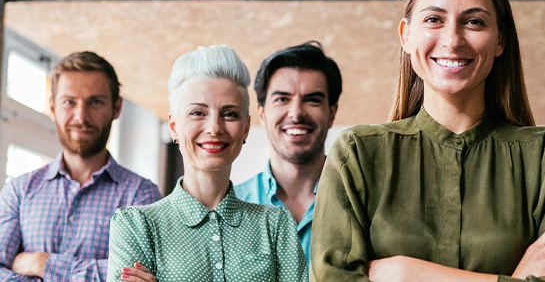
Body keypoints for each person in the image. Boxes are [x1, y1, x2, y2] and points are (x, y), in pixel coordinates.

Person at [311, 0, 545, 282]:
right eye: (434, 19)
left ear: (500, 41)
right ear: (406, 36)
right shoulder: (356, 154)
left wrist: (404, 274)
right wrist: (515, 278)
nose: (452, 40)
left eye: (474, 22)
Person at [106, 45, 307, 282]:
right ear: (174, 127)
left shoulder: (275, 224)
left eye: (230, 114)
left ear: (245, 128)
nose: (214, 128)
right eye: (197, 113)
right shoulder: (136, 226)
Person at [0, 51, 161, 282]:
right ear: (53, 107)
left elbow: (141, 275)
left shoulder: (141, 196)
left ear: (116, 108)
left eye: (95, 102)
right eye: (69, 102)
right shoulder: (18, 192)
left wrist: (41, 263)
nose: (81, 116)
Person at [235, 41, 341, 269]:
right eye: (282, 99)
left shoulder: (363, 204)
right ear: (261, 114)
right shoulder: (229, 205)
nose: (296, 113)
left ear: (331, 113)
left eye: (312, 99)